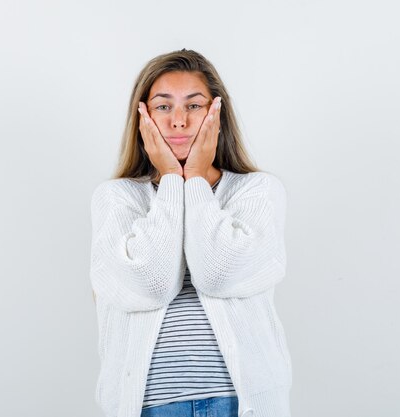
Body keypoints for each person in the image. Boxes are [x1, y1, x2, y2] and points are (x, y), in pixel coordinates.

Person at [89, 49, 291, 417]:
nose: (178, 121)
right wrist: (170, 180)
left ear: (217, 116)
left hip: (239, 404)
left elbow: (218, 274)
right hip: (150, 406)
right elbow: (152, 284)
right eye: (163, 107)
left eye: (193, 106)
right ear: (143, 117)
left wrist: (195, 178)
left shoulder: (258, 193)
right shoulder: (116, 198)